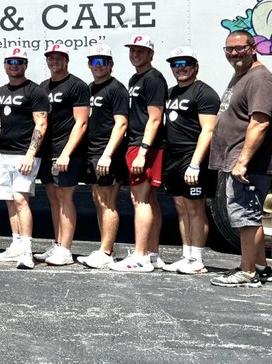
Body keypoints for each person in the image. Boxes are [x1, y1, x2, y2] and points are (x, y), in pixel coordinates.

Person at [208, 30, 272, 288]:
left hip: (250, 163)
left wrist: (242, 161)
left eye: (240, 48)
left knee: (245, 218)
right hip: (238, 160)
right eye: (229, 49)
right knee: (249, 217)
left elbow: (260, 123)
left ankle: (247, 272)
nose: (234, 53)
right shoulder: (242, 75)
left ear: (253, 48)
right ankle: (262, 269)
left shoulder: (260, 79)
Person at [160, 46, 220, 275]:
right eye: (176, 64)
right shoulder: (170, 93)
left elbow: (208, 130)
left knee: (195, 208)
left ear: (196, 67)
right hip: (173, 158)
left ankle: (197, 259)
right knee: (181, 207)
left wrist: (195, 164)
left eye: (185, 63)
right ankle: (186, 256)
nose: (180, 68)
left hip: (193, 157)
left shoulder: (205, 93)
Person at [110, 35, 167, 273]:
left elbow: (155, 118)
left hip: (145, 145)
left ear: (151, 54)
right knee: (149, 199)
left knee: (140, 200)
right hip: (139, 143)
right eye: (133, 50)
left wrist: (143, 151)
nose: (135, 54)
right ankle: (152, 254)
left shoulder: (153, 79)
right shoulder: (136, 78)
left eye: (141, 51)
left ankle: (140, 256)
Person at [0, 46, 50, 269]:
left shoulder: (35, 91)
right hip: (4, 153)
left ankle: (26, 250)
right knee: (9, 200)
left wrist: (30, 154)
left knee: (20, 199)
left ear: (25, 65)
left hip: (24, 155)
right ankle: (16, 245)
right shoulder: (1, 91)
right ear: (5, 65)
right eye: (10, 62)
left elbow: (41, 124)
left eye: (18, 62)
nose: (14, 66)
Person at [34, 43, 90, 267]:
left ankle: (66, 250)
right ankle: (57, 244)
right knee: (53, 199)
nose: (54, 61)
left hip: (66, 152)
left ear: (67, 60)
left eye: (59, 57)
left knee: (65, 199)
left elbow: (81, 122)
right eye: (51, 58)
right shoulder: (43, 87)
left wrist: (66, 153)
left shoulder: (77, 86)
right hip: (47, 152)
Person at [78, 44, 130, 269]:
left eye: (103, 62)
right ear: (89, 64)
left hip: (107, 153)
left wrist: (107, 154)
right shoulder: (90, 88)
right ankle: (103, 248)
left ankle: (107, 252)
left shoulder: (116, 89)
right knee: (98, 200)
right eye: (94, 62)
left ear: (111, 65)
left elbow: (121, 123)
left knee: (108, 202)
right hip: (92, 151)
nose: (98, 66)